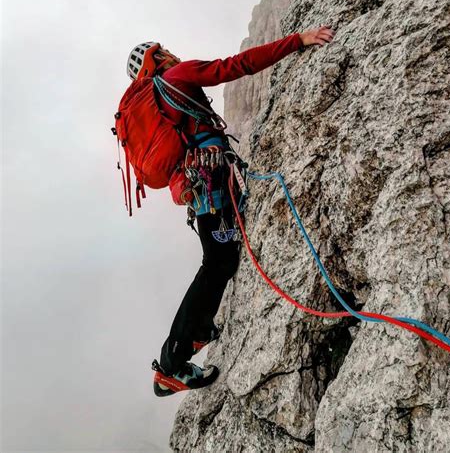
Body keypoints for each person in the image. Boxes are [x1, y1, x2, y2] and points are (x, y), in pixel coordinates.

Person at [125, 26, 335, 396]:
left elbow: (172, 169)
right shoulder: (176, 77)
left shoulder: (159, 109)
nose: (171, 53)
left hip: (201, 185)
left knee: (218, 260)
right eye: (164, 51)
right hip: (213, 180)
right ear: (155, 61)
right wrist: (296, 41)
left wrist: (186, 190)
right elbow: (234, 66)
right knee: (218, 264)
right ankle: (172, 363)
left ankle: (188, 346)